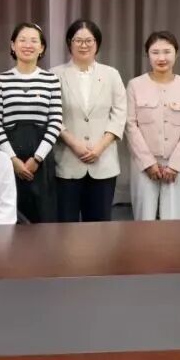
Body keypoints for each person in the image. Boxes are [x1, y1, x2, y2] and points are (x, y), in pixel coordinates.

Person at [52, 20, 127, 222]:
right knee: (65, 226)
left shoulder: (111, 74)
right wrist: (74, 143)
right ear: (70, 43)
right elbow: (52, 115)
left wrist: (100, 146)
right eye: (78, 40)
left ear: (97, 43)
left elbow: (120, 113)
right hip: (67, 162)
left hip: (103, 162)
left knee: (99, 226)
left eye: (89, 40)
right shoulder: (55, 75)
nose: (83, 45)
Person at [0, 23, 63, 223]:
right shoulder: (1, 80)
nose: (27, 45)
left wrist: (37, 159)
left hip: (41, 157)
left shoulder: (51, 80)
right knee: (9, 218)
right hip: (8, 156)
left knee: (44, 219)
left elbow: (55, 121)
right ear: (13, 45)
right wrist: (12, 160)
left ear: (42, 47)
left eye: (33, 41)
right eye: (22, 40)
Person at [125, 31, 180, 220]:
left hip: (177, 165)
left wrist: (175, 165)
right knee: (143, 220)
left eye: (167, 52)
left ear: (177, 53)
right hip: (144, 165)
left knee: (173, 221)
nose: (161, 58)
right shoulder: (135, 85)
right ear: (147, 54)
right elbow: (130, 125)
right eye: (155, 52)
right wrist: (148, 163)